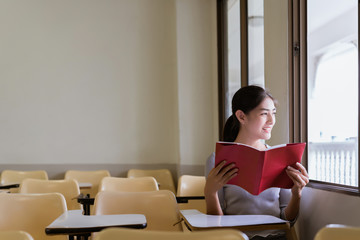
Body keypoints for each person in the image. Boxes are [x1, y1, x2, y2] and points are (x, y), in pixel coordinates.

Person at [204, 85, 309, 240]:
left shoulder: (281, 157)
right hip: (236, 237)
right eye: (264, 114)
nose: (271, 120)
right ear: (241, 116)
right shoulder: (218, 159)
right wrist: (210, 192)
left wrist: (296, 194)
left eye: (273, 113)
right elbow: (216, 225)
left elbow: (287, 219)